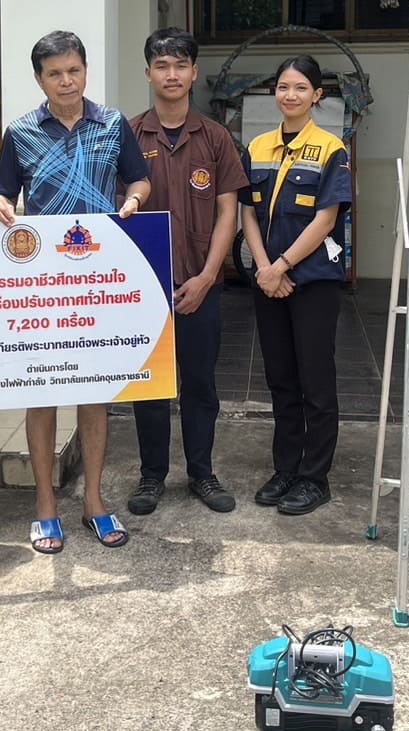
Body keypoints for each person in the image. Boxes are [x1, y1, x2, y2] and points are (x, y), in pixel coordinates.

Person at [0, 30, 152, 555]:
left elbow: (140, 180)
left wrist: (134, 200)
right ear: (40, 79)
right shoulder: (20, 133)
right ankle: (45, 505)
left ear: (85, 70)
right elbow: (2, 193)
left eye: (74, 71)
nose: (67, 81)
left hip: (98, 281)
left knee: (95, 395)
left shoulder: (113, 125)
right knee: (42, 393)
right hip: (44, 284)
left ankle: (94, 502)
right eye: (55, 73)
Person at [124, 28, 248, 517]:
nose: (171, 74)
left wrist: (207, 277)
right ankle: (151, 475)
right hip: (142, 289)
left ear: (194, 73)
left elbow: (228, 213)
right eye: (162, 65)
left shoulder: (216, 138)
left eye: (180, 65)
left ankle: (202, 473)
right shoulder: (128, 135)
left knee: (200, 385)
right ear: (148, 73)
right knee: (149, 385)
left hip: (201, 283)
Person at [240, 54, 352, 516]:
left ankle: (314, 478)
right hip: (270, 281)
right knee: (281, 378)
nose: (291, 95)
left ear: (317, 95)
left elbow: (326, 219)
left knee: (316, 381)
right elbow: (247, 212)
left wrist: (282, 265)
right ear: (275, 92)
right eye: (284, 87)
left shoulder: (330, 149)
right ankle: (286, 468)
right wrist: (266, 269)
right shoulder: (257, 147)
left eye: (301, 88)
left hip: (313, 281)